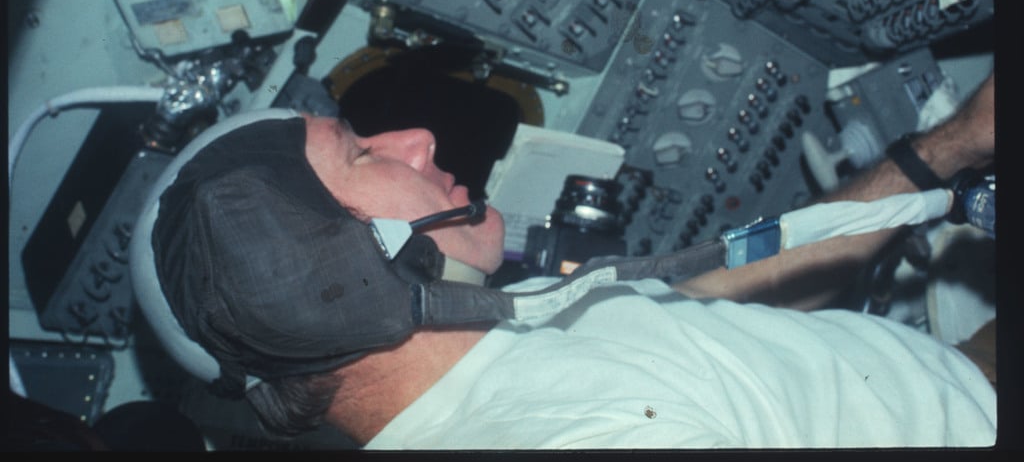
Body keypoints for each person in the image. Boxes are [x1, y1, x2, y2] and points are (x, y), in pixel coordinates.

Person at [142, 73, 996, 448]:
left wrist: (953, 146)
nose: (417, 140)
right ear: (337, 283)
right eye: (363, 154)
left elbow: (733, 299)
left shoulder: (508, 340)